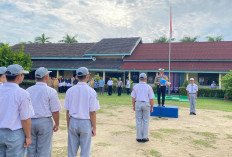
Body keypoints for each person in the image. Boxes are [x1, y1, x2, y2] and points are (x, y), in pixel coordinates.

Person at [64, 67, 100, 157]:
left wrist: (68, 125)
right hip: (85, 122)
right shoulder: (91, 92)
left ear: (76, 76)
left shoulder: (70, 91)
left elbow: (67, 111)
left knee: (71, 150)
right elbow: (92, 112)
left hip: (73, 121)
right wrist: (94, 127)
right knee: (85, 150)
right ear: (87, 76)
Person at [0, 64, 34, 157]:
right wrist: (28, 137)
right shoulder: (22, 94)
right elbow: (25, 118)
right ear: (19, 77)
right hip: (14, 134)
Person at [26, 67, 61, 157]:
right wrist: (57, 124)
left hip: (30, 121)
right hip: (44, 121)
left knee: (31, 149)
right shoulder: (51, 91)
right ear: (46, 77)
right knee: (44, 150)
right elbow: (55, 111)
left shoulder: (28, 90)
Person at [131, 73, 154, 143]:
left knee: (138, 121)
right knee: (146, 121)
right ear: (146, 78)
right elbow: (151, 99)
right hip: (146, 103)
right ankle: (145, 137)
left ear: (139, 79)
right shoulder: (149, 87)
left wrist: (134, 106)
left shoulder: (136, 87)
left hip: (138, 103)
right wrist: (152, 107)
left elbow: (133, 98)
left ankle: (138, 137)